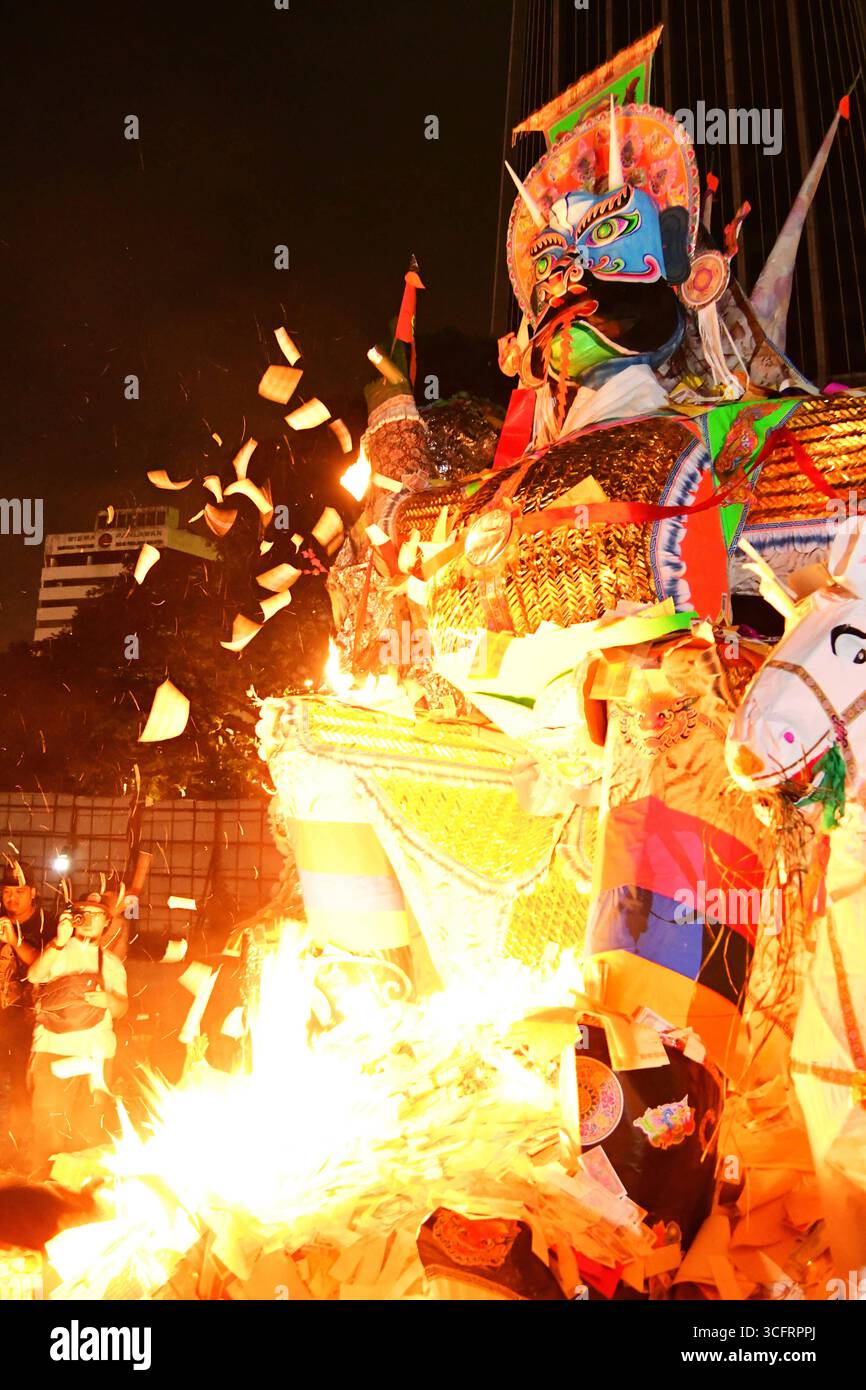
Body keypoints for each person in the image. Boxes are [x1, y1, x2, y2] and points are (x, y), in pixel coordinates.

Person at [27, 893, 127, 1170]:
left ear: (107, 921)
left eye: (97, 915)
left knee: (88, 1130)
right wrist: (58, 941)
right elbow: (35, 976)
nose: (88, 920)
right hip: (52, 1054)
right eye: (83, 912)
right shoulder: (56, 952)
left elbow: (122, 1007)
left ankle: (79, 1200)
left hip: (95, 1058)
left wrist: (110, 1001)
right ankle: (44, 1197)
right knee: (49, 1132)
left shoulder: (111, 963)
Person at [0, 863, 48, 1165]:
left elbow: (41, 969)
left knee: (20, 1084)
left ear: (33, 892)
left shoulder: (45, 926)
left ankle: (20, 1149)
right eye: (6, 893)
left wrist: (16, 942)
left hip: (24, 1021)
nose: (12, 899)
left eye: (19, 892)